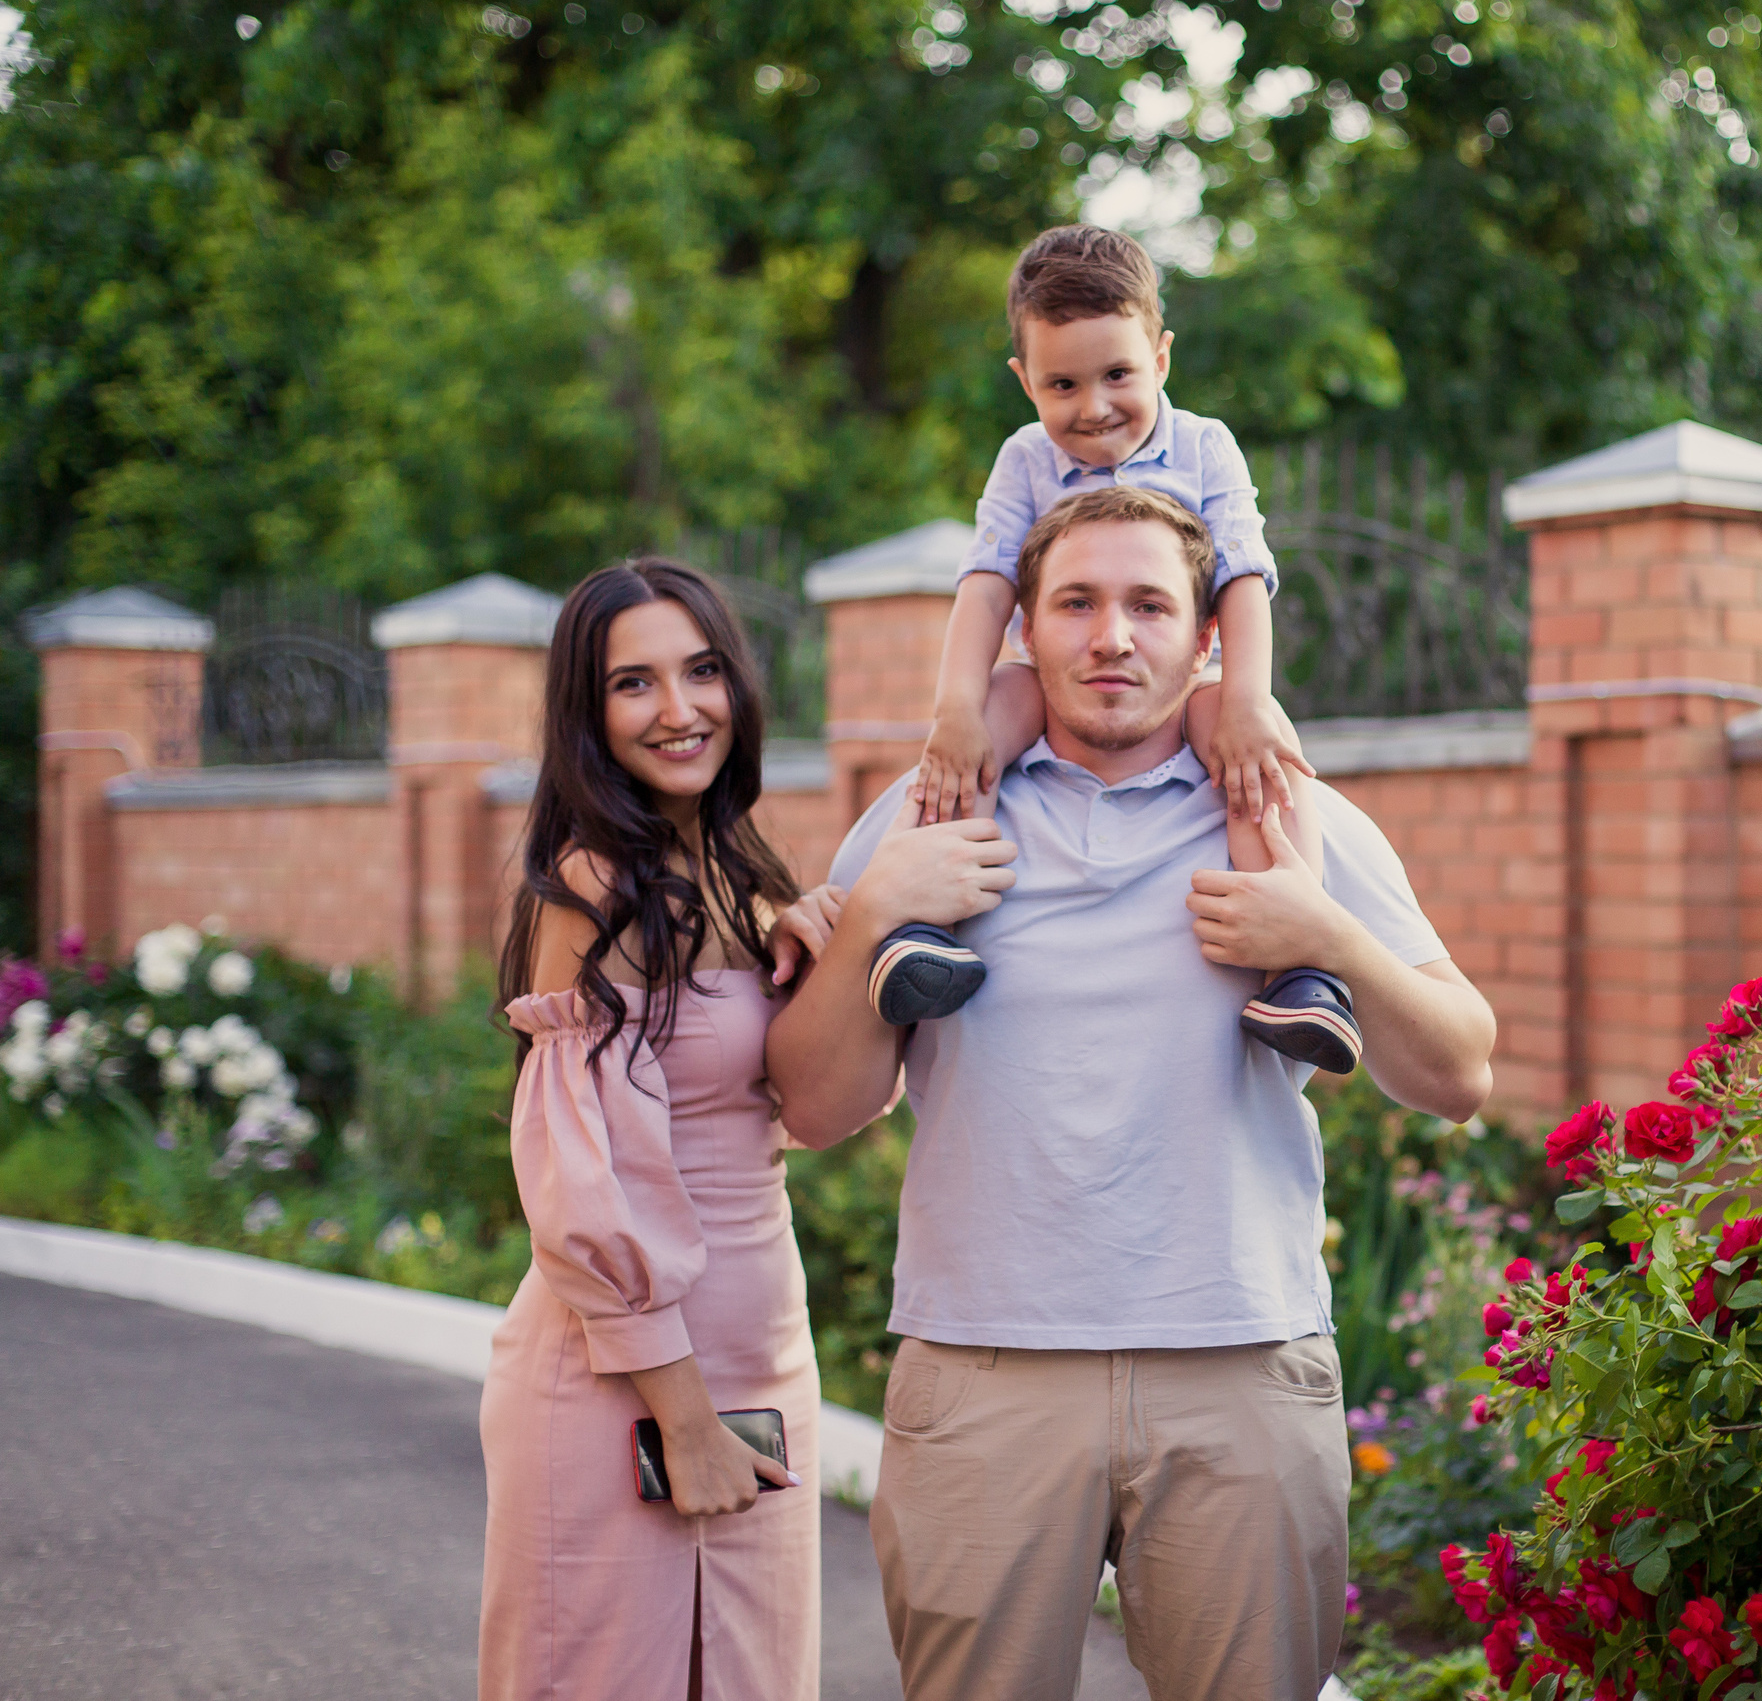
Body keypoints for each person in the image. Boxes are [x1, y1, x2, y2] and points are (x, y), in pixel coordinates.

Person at [767, 487, 1497, 1701]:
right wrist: (875, 918)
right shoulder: (932, 811)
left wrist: (1331, 937)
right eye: (1079, 602)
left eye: (1150, 604)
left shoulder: (1287, 818)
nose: (1113, 635)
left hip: (1240, 1366)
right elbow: (814, 1106)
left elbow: (1459, 1072)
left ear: (1208, 635)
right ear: (1027, 632)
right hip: (985, 1372)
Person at [480, 558, 851, 1701]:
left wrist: (830, 947)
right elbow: (578, 1181)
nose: (678, 709)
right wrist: (681, 1419)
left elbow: (812, 1108)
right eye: (632, 683)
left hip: (761, 1363)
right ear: (587, 716)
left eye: (700, 672)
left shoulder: (736, 871)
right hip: (630, 1390)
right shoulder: (595, 890)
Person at [865, 224, 1360, 1075]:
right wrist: (954, 707)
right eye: (1063, 383)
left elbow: (1242, 575)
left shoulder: (1204, 445)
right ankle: (929, 930)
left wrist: (1243, 696)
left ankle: (1303, 965)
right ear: (1024, 380)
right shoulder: (1025, 458)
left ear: (1161, 358)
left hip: (1190, 680)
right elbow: (986, 582)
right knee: (982, 725)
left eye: (1118, 375)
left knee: (1261, 757)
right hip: (1045, 672)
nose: (1092, 406)